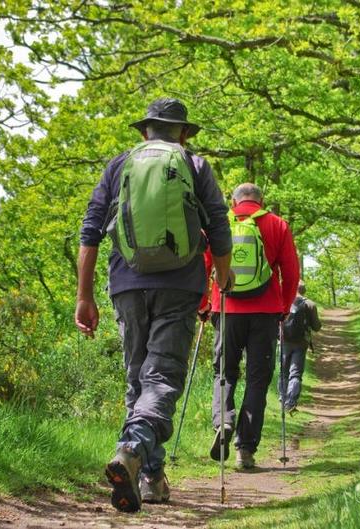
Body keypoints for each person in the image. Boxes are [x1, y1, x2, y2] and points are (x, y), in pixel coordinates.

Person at [75, 98, 233, 512]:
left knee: (138, 379)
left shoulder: (118, 165)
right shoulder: (195, 166)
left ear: (146, 131)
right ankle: (131, 450)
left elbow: (90, 231)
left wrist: (84, 296)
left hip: (126, 284)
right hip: (180, 286)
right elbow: (218, 222)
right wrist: (222, 272)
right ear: (182, 133)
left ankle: (150, 479)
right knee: (161, 378)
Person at [207, 182, 299, 470]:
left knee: (225, 371)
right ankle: (245, 450)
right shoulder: (277, 224)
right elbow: (291, 273)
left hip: (226, 308)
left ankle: (223, 420)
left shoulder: (219, 224)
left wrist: (203, 304)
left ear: (233, 201)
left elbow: (204, 264)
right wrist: (283, 307)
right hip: (265, 311)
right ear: (262, 199)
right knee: (258, 380)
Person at [279, 280, 322, 414]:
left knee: (283, 371)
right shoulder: (310, 304)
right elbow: (316, 327)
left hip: (284, 341)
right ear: (304, 290)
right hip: (301, 342)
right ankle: (291, 402)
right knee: (295, 373)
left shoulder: (283, 300)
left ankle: (282, 397)